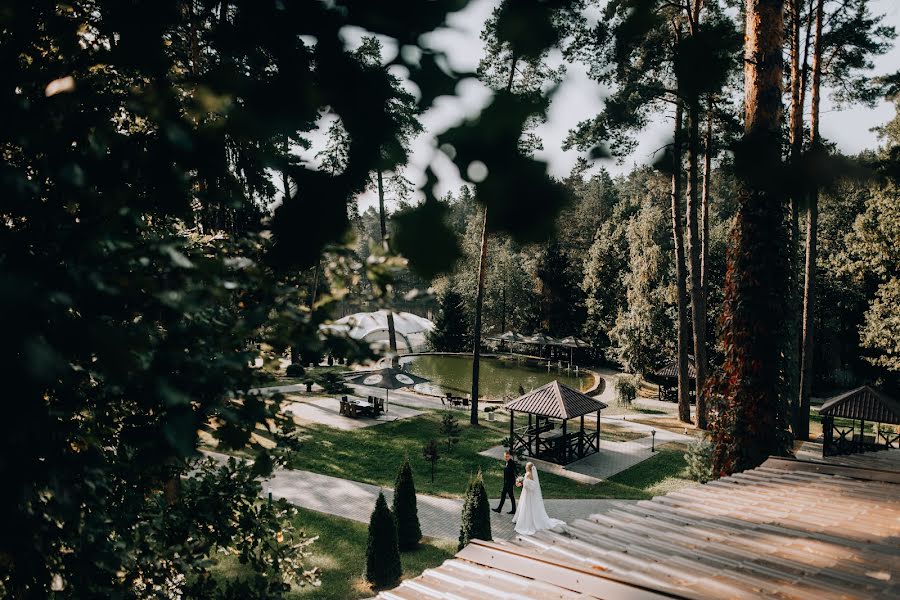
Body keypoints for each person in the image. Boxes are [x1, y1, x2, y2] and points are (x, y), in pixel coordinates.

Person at [512, 462, 565, 535]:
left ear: (528, 467)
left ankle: (527, 522)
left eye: (526, 466)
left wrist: (522, 483)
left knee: (527, 507)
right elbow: (533, 484)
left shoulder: (528, 474)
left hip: (528, 494)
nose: (525, 467)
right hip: (529, 494)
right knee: (529, 507)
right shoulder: (531, 474)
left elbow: (530, 485)